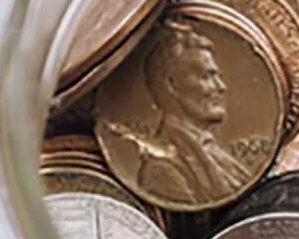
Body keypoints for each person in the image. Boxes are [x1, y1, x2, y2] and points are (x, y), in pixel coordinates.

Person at [107, 20, 257, 205]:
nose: (221, 87)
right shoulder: (161, 171)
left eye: (216, 75)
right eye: (205, 76)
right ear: (172, 85)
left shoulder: (216, 152)